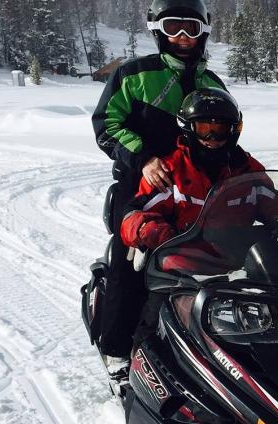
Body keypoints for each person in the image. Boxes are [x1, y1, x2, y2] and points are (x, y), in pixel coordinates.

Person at [120, 88, 278, 348]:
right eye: (204, 127)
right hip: (184, 266)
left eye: (220, 129)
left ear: (234, 130)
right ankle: (142, 363)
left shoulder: (245, 168)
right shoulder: (171, 169)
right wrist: (150, 229)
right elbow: (135, 214)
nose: (212, 137)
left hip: (237, 261)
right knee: (159, 319)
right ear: (188, 128)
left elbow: (271, 202)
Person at [90, 0, 225, 363]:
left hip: (196, 190)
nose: (182, 37)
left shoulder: (210, 81)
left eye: (191, 28)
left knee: (227, 261)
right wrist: (144, 159)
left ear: (204, 32)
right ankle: (117, 353)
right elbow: (106, 125)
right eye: (173, 27)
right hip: (139, 188)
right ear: (157, 31)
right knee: (129, 267)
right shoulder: (134, 74)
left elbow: (224, 133)